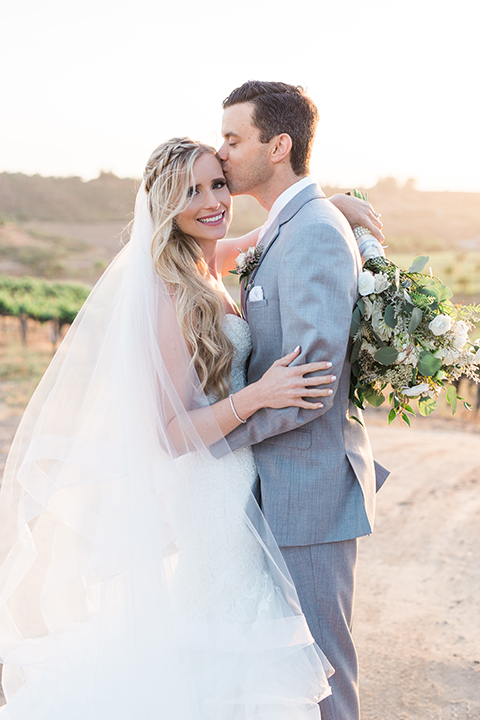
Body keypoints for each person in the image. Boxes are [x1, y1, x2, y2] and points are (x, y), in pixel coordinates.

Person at [0, 137, 376, 719]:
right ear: (164, 205)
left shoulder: (205, 260)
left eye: (217, 184)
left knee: (233, 638)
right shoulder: (169, 288)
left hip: (237, 479)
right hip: (210, 492)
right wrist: (257, 396)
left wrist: (330, 206)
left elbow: (268, 236)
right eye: (190, 191)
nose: (211, 201)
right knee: (223, 639)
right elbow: (170, 433)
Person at [211, 81, 390, 720]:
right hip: (278, 488)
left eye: (233, 139)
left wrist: (211, 437)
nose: (221, 152)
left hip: (307, 491)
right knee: (281, 671)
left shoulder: (309, 231)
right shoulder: (293, 224)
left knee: (321, 675)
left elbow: (310, 387)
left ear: (278, 144)